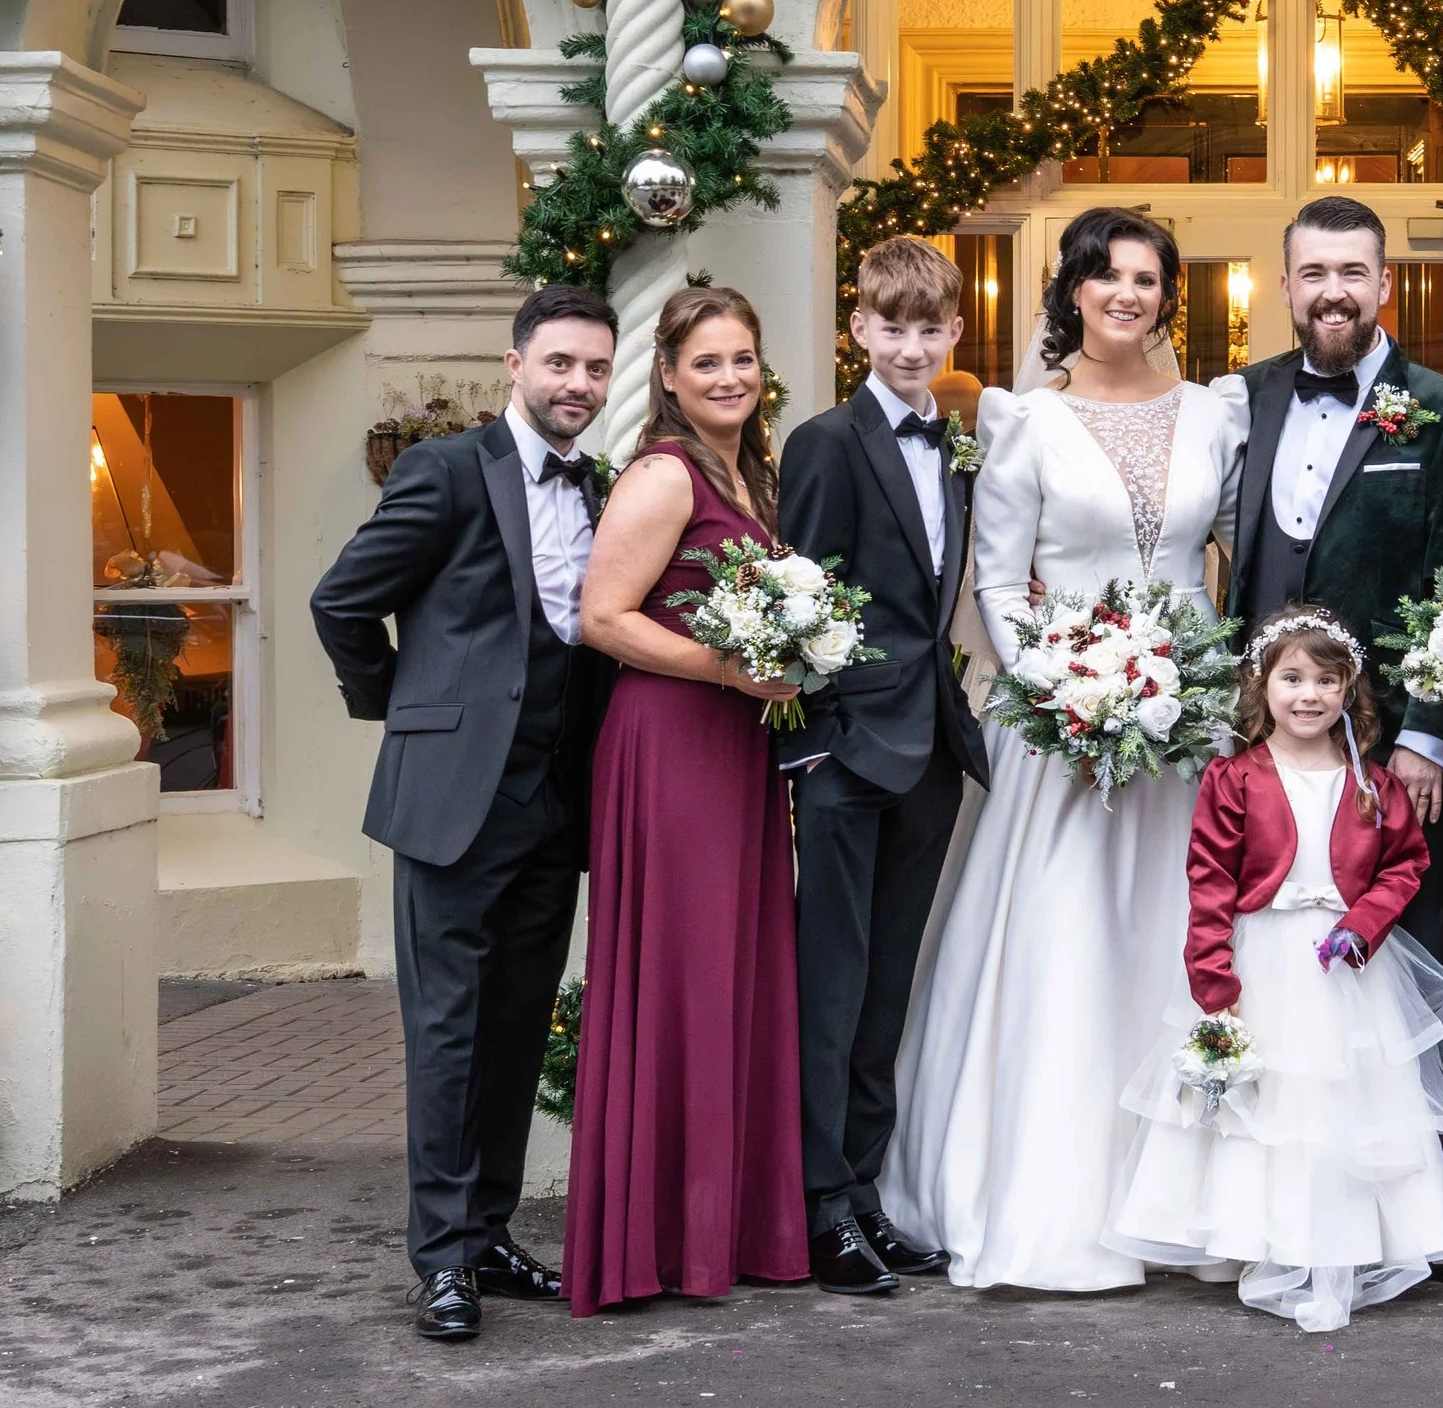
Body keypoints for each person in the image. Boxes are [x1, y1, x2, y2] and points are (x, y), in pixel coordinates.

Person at [881, 207, 1246, 1291]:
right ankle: (1049, 1190)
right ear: (1073, 290)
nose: (1127, 293)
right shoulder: (1022, 422)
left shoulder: (1214, 413)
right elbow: (997, 580)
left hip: (1189, 713)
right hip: (1061, 721)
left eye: (1146, 277)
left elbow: (1231, 547)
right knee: (1064, 936)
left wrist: (1181, 684)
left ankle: (1194, 1191)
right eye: (1106, 275)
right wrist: (1069, 692)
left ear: (1165, 295)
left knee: (1186, 933)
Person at [312, 284, 618, 1341]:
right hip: (452, 800)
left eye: (593, 368)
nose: (576, 383)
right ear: (516, 364)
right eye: (560, 363)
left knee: (516, 1025)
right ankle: (440, 1256)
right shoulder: (445, 470)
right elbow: (342, 599)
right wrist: (407, 710)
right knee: (446, 1029)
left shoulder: (603, 487)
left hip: (551, 800)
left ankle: (487, 1229)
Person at [1107, 608, 1443, 1333]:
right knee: (1269, 1107)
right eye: (1293, 678)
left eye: (1327, 680)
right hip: (1262, 961)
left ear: (1349, 692)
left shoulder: (1372, 786)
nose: (1309, 694)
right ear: (1262, 685)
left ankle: (1337, 1246)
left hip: (1343, 968)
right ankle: (1259, 1241)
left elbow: (1406, 866)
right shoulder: (1234, 777)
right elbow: (1209, 881)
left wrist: (1360, 927)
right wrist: (1217, 989)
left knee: (1340, 1105)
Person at [564, 286, 811, 1315]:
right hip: (670, 744)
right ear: (666, 375)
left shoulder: (748, 475)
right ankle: (653, 1239)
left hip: (733, 745)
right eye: (706, 360)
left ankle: (726, 1227)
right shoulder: (666, 474)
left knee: (732, 971)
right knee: (681, 972)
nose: (729, 377)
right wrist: (726, 668)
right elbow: (601, 616)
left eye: (742, 358)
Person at [774, 238, 990, 1294]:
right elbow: (803, 600)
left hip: (929, 753)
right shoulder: (823, 442)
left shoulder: (955, 444)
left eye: (929, 328)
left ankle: (863, 1190)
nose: (911, 345)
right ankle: (818, 1206)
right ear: (857, 329)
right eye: (890, 327)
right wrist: (817, 748)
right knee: (834, 982)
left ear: (955, 331)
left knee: (887, 985)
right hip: (849, 752)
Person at [1213, 197, 1443, 964]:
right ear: (1285, 287)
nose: (1332, 290)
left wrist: (1429, 736)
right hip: (1259, 731)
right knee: (1258, 930)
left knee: (1405, 940)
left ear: (1384, 284)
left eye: (1351, 272)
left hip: (1388, 737)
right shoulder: (1243, 395)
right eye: (1314, 272)